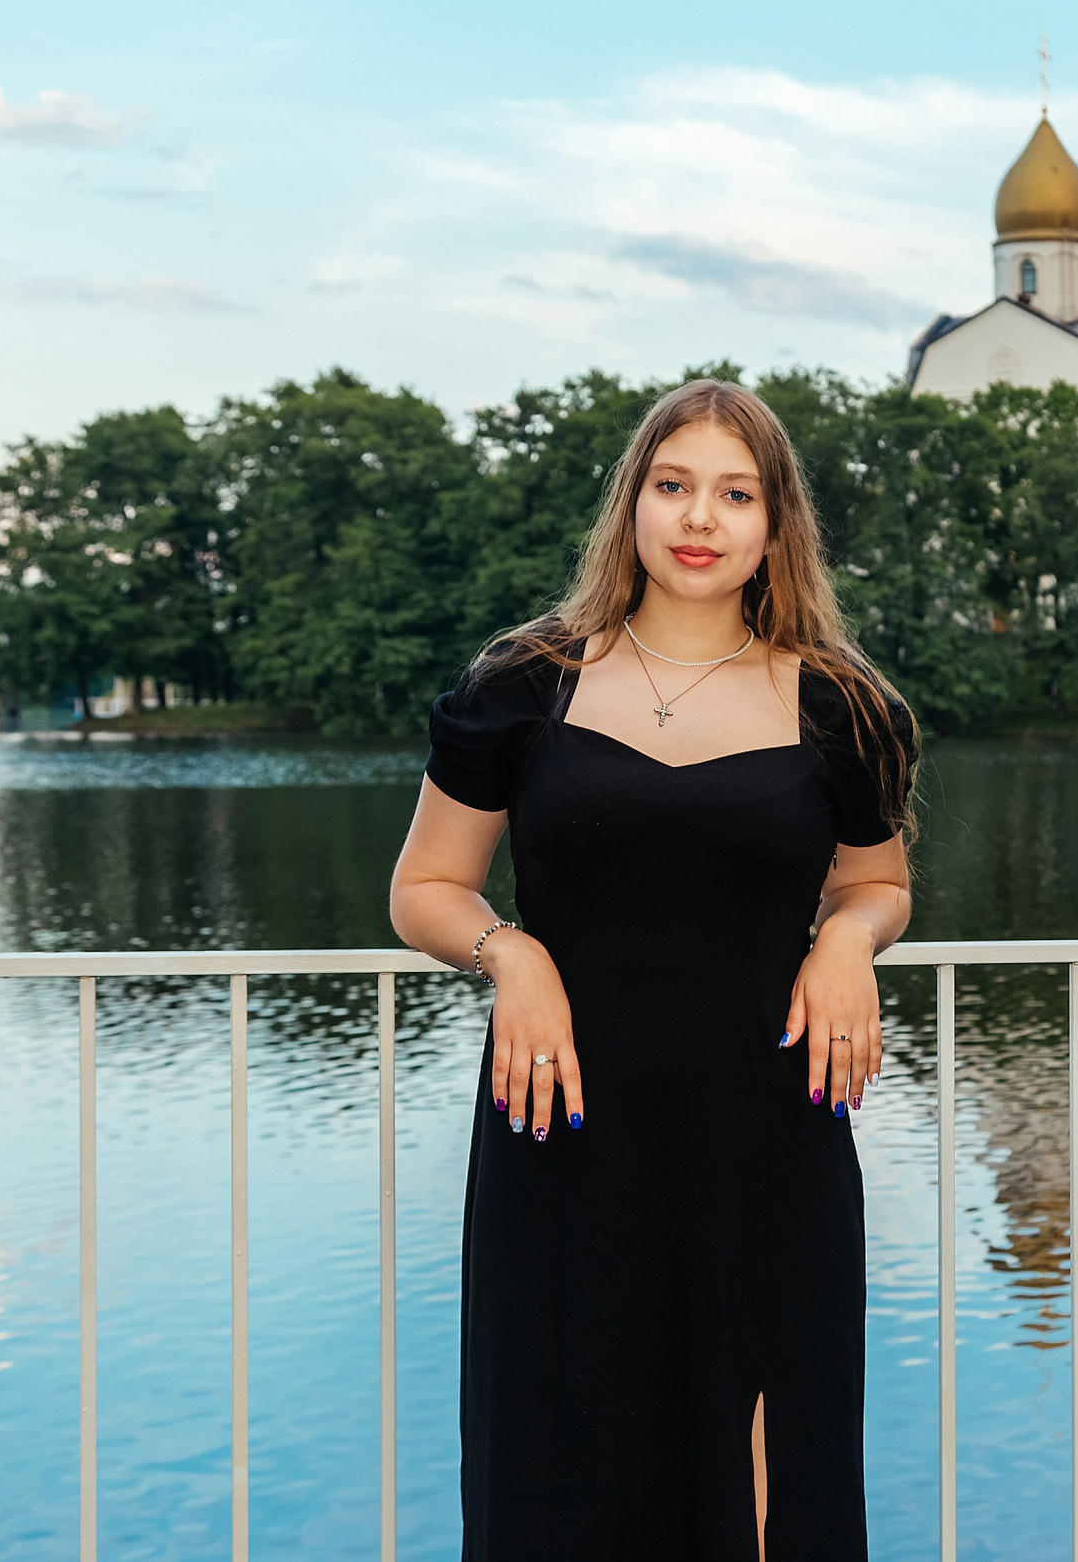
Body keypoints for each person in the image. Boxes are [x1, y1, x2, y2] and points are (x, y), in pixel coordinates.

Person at [388, 378, 917, 1560]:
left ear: (775, 525)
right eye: (672, 486)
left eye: (735, 494)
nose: (699, 518)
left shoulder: (844, 707)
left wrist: (844, 939)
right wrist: (509, 952)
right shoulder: (523, 687)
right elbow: (424, 888)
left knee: (774, 1491)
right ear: (631, 504)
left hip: (769, 1146)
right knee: (567, 1468)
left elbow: (877, 883)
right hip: (564, 1140)